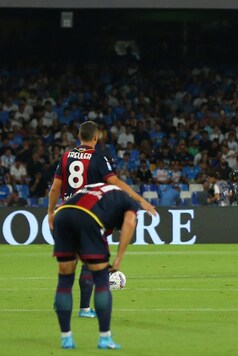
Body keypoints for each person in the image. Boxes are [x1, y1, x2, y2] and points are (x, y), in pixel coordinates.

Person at [47, 121, 157, 319]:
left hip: (64, 213)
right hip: (88, 214)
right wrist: (141, 201)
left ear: (79, 136)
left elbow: (55, 187)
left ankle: (62, 301)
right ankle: (84, 309)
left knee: (68, 262)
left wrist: (50, 212)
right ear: (96, 137)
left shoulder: (66, 157)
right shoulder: (98, 158)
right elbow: (115, 183)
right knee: (90, 262)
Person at [52, 183, 139, 349]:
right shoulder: (130, 202)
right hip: (88, 218)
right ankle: (105, 338)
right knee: (101, 280)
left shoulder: (96, 188)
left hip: (62, 215)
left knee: (64, 279)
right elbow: (129, 224)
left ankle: (66, 339)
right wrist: (119, 259)